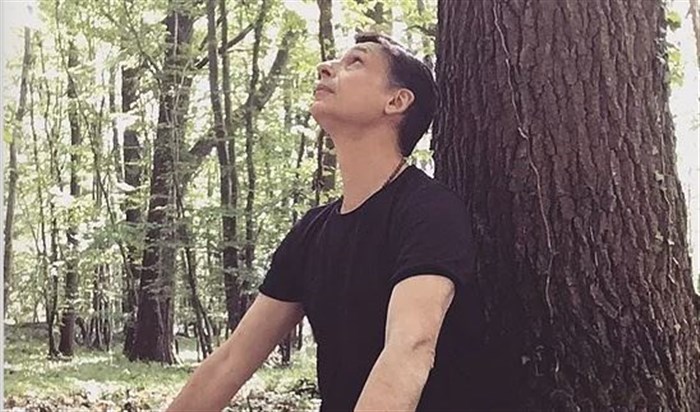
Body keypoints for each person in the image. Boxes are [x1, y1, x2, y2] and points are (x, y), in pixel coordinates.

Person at [167, 32, 485, 412]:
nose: (325, 68)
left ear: (396, 101)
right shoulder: (311, 233)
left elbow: (411, 346)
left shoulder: (429, 211)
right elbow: (231, 362)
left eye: (356, 62)